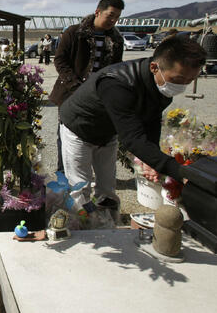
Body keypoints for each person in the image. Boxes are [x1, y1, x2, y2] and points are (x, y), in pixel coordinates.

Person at [59, 37, 206, 211]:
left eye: (189, 81)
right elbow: (132, 139)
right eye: (178, 79)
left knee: (107, 187)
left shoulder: (159, 85)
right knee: (80, 187)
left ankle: (107, 225)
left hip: (108, 131)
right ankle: (81, 226)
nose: (181, 86)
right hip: (79, 129)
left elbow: (151, 121)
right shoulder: (117, 83)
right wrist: (178, 171)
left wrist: (150, 159)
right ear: (154, 68)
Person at [48, 0, 125, 175]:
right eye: (110, 15)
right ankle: (63, 172)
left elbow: (116, 66)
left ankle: (88, 171)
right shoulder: (74, 33)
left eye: (117, 17)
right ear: (98, 12)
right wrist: (76, 86)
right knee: (66, 131)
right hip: (70, 93)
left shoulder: (116, 38)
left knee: (96, 132)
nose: (113, 21)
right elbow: (60, 61)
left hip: (100, 96)